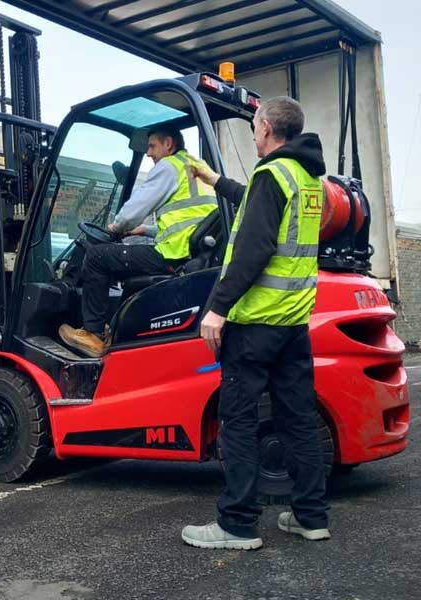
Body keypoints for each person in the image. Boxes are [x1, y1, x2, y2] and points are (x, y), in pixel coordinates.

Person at [181, 96, 330, 550]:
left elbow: (255, 246)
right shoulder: (306, 179)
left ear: (266, 128)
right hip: (292, 324)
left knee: (239, 420)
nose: (253, 134)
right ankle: (310, 516)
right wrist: (215, 181)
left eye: (253, 128)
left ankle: (238, 524)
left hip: (255, 324)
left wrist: (217, 307)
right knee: (298, 419)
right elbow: (257, 208)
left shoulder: (271, 174)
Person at [59, 124, 217, 357]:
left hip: (173, 254)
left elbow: (134, 210)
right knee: (124, 257)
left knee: (96, 257)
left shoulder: (168, 167)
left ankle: (93, 334)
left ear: (168, 144)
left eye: (152, 146)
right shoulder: (197, 167)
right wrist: (146, 231)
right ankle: (116, 329)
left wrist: (116, 226)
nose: (149, 153)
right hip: (190, 251)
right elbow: (190, 220)